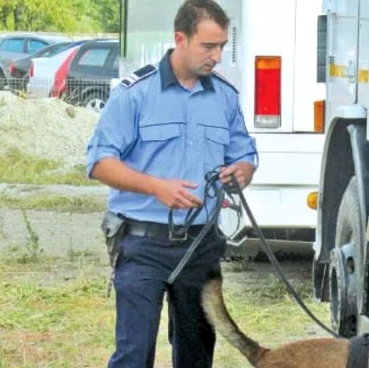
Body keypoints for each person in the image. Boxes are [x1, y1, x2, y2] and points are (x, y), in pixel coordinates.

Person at [85, 1, 258, 367]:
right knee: (134, 354)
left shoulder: (225, 96)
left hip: (200, 245)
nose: (217, 56)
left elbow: (244, 153)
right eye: (208, 47)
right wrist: (155, 187)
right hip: (142, 243)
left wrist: (242, 171)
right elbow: (99, 163)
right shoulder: (136, 93)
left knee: (196, 353)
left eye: (222, 47)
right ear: (180, 39)